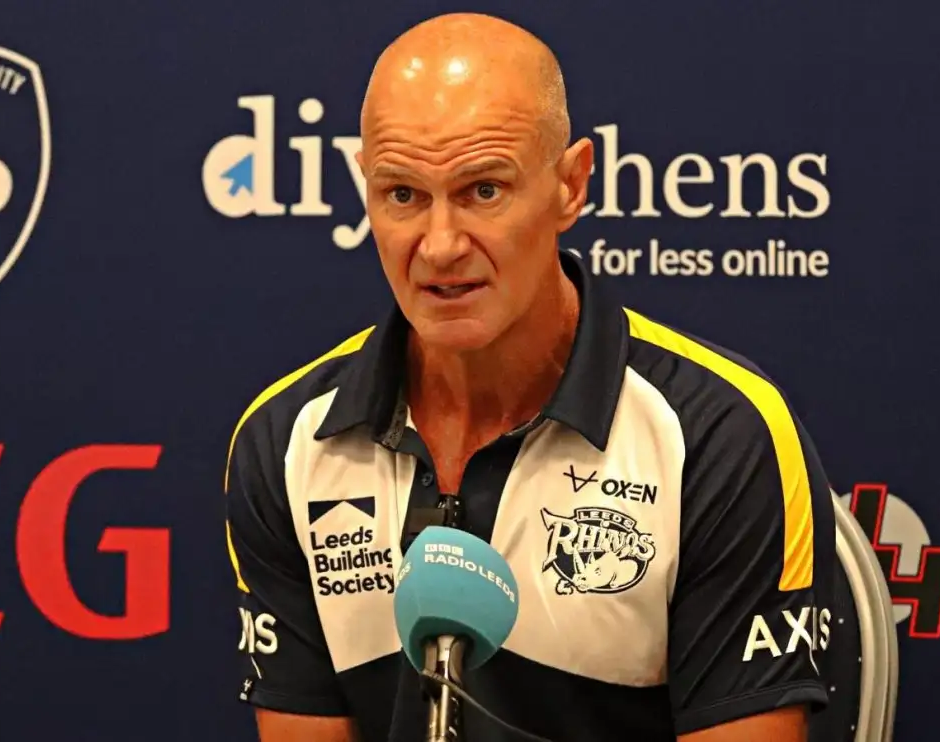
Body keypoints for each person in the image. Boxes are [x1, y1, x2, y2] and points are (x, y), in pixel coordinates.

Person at [225, 12, 837, 742]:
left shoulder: (718, 435)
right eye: (403, 195)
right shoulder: (287, 442)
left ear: (571, 185)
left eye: (483, 190)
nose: (440, 246)